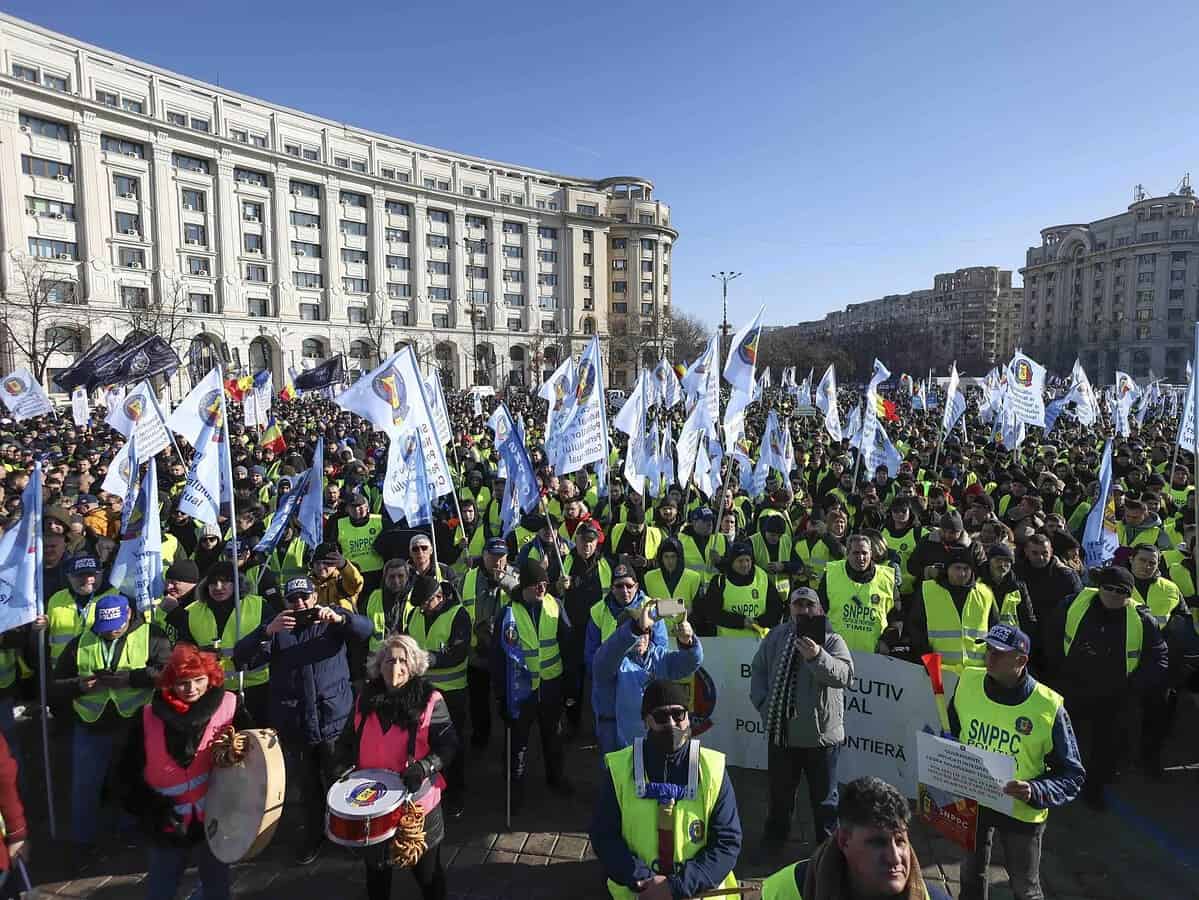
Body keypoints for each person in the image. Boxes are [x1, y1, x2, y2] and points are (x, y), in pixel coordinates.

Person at [233, 575, 373, 863]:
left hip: (333, 717)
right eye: (294, 599)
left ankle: (347, 833)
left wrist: (340, 620)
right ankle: (313, 836)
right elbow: (243, 658)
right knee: (307, 785)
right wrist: (265, 631)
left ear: (315, 596)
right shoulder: (278, 626)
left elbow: (365, 630)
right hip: (295, 721)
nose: (300, 604)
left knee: (340, 779)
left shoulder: (332, 616)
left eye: (305, 597)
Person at [948, 624, 1085, 900]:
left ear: (1021, 661)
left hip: (1022, 811)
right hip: (975, 800)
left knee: (1026, 888)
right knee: (970, 877)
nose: (989, 658)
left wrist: (1035, 790)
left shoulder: (1048, 707)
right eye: (987, 649)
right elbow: (953, 730)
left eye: (998, 653)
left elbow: (1073, 775)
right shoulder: (968, 681)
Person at [117, 644, 252, 900]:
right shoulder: (146, 717)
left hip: (215, 820)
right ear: (170, 683)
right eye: (183, 683)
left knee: (216, 888)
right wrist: (152, 810)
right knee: (161, 889)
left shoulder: (231, 707)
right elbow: (126, 774)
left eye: (198, 680)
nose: (191, 689)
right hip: (165, 823)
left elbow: (254, 760)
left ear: (210, 678)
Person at [590, 680, 741, 900]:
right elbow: (604, 835)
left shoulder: (713, 769)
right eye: (661, 717)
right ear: (646, 721)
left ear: (688, 717)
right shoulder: (620, 768)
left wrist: (675, 887)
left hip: (698, 891)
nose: (671, 724)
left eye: (679, 714)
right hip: (638, 891)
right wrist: (642, 879)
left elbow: (727, 842)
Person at [335, 635, 458, 900]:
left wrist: (425, 766)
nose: (396, 667)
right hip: (371, 807)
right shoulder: (363, 699)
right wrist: (342, 765)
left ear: (414, 666)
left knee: (428, 876)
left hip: (417, 807)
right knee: (377, 875)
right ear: (379, 666)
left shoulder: (431, 700)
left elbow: (448, 746)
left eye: (403, 660)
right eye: (389, 660)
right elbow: (346, 741)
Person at [51, 593, 170, 846]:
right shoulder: (80, 641)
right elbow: (55, 685)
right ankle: (83, 842)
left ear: (128, 614)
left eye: (115, 628)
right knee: (86, 785)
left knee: (133, 781)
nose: (110, 633)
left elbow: (167, 672)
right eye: (104, 630)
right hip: (91, 724)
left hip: (136, 723)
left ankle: (132, 834)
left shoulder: (152, 634)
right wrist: (79, 685)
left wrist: (132, 678)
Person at [1045, 566, 1167, 808]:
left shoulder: (1142, 619)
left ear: (1129, 595)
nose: (1113, 594)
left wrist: (1134, 685)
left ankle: (1095, 789)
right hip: (1073, 686)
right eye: (1108, 588)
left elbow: (1159, 657)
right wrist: (1058, 671)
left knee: (1106, 744)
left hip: (1115, 693)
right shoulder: (1072, 604)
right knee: (1064, 737)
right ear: (1099, 587)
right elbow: (1051, 635)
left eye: (1121, 591)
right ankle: (1061, 780)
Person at [751, 586, 853, 850]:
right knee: (780, 796)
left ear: (819, 609)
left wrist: (817, 657)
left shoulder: (832, 640)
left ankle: (829, 852)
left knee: (825, 802)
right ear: (790, 609)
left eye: (810, 606)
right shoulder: (775, 636)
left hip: (821, 738)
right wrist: (764, 705)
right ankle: (774, 843)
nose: (804, 610)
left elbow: (845, 676)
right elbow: (759, 670)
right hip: (782, 734)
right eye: (799, 605)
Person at [759, 776, 950, 900]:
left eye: (900, 841)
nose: (894, 857)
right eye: (877, 843)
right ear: (844, 841)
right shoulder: (785, 890)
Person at [491, 558, 575, 811]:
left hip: (551, 685)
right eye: (537, 585)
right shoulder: (508, 613)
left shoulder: (555, 606)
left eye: (545, 584)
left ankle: (555, 778)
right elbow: (498, 658)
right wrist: (501, 696)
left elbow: (568, 646)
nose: (542, 589)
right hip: (521, 690)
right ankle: (513, 788)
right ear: (525, 586)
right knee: (518, 743)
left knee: (553, 737)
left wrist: (571, 686)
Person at [168, 559, 274, 727]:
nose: (218, 587)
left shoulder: (260, 606)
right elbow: (183, 650)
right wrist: (201, 657)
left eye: (225, 581)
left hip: (255, 689)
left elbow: (272, 645)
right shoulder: (192, 611)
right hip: (213, 690)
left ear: (237, 583)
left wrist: (246, 659)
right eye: (212, 583)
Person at [591, 598, 702, 752]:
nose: (641, 638)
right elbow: (603, 661)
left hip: (659, 740)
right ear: (622, 634)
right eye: (637, 632)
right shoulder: (613, 661)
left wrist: (688, 641)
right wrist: (635, 629)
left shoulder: (659, 656)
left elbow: (690, 663)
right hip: (621, 744)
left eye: (646, 632)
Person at [403, 574, 470, 817]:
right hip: (423, 694)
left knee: (453, 746)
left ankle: (456, 794)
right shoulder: (414, 614)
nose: (422, 608)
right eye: (419, 604)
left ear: (439, 597)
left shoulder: (458, 615)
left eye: (426, 602)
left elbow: (459, 653)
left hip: (452, 694)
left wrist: (428, 659)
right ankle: (430, 792)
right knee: (426, 745)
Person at [460, 538, 518, 750]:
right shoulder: (468, 578)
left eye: (502, 557)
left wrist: (505, 582)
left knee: (506, 699)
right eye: (493, 557)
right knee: (478, 701)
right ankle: (480, 737)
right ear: (483, 555)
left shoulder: (514, 575)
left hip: (507, 652)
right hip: (478, 652)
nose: (497, 562)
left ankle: (510, 741)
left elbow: (524, 597)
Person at [908, 550, 998, 674]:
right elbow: (916, 627)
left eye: (966, 568)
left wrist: (992, 656)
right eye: (957, 568)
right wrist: (926, 657)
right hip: (939, 670)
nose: (962, 573)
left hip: (977, 671)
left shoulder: (985, 593)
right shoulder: (927, 590)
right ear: (947, 569)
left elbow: (995, 629)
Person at [817, 534, 895, 653]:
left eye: (864, 553)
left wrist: (886, 642)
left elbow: (897, 618)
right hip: (835, 653)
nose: (861, 557)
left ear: (871, 553)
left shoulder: (887, 579)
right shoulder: (831, 574)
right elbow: (817, 612)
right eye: (856, 553)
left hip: (872, 655)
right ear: (847, 553)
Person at [695, 540, 784, 638]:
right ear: (731, 562)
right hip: (728, 642)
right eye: (740, 561)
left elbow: (776, 608)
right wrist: (741, 622)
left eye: (747, 560)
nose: (745, 565)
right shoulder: (720, 581)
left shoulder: (762, 577)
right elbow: (712, 612)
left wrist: (759, 622)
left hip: (759, 642)